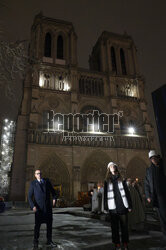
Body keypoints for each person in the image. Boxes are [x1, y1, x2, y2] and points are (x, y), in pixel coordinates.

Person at [104, 162, 132, 250]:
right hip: (112, 208)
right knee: (114, 228)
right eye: (110, 166)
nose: (112, 167)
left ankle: (125, 243)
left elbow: (127, 193)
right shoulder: (107, 181)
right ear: (109, 169)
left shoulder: (122, 179)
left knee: (124, 227)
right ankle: (117, 244)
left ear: (116, 167)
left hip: (122, 206)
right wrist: (105, 207)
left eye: (113, 166)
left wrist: (130, 205)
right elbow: (105, 195)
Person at [28, 169, 58, 249]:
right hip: (39, 209)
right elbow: (29, 197)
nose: (39, 175)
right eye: (37, 174)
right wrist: (33, 206)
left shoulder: (47, 181)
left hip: (48, 208)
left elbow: (54, 192)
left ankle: (49, 241)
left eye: (40, 173)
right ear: (35, 175)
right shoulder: (33, 183)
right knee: (37, 226)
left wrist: (54, 198)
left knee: (49, 226)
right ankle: (35, 242)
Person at [145, 150, 166, 242]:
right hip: (156, 197)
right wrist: (148, 195)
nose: (153, 160)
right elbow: (146, 183)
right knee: (161, 218)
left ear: (158, 157)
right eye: (151, 159)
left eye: (154, 158)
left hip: (164, 194)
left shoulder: (163, 166)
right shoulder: (149, 170)